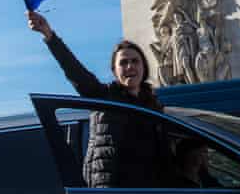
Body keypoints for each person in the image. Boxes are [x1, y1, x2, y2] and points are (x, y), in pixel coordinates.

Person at [27, 10, 165, 188]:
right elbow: (75, 72)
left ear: (144, 68)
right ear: (115, 71)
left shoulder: (156, 107)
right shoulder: (104, 98)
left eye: (135, 61)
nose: (130, 66)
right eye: (123, 63)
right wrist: (49, 35)